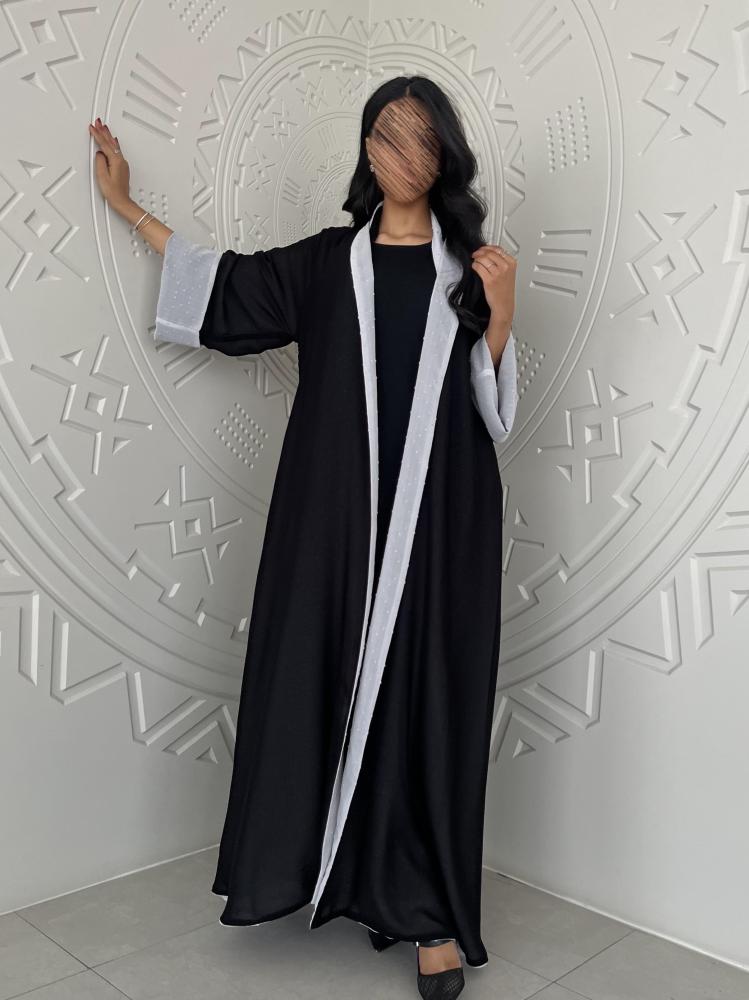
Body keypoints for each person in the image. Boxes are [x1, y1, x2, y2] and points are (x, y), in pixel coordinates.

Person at [89, 74, 518, 1000]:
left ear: (443, 153)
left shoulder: (472, 269)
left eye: (418, 138)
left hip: (438, 522)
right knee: (316, 679)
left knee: (422, 698)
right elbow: (224, 283)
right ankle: (334, 871)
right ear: (365, 148)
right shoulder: (328, 264)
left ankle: (428, 915)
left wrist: (503, 314)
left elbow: (487, 410)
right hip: (329, 519)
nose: (398, 154)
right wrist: (126, 206)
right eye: (384, 134)